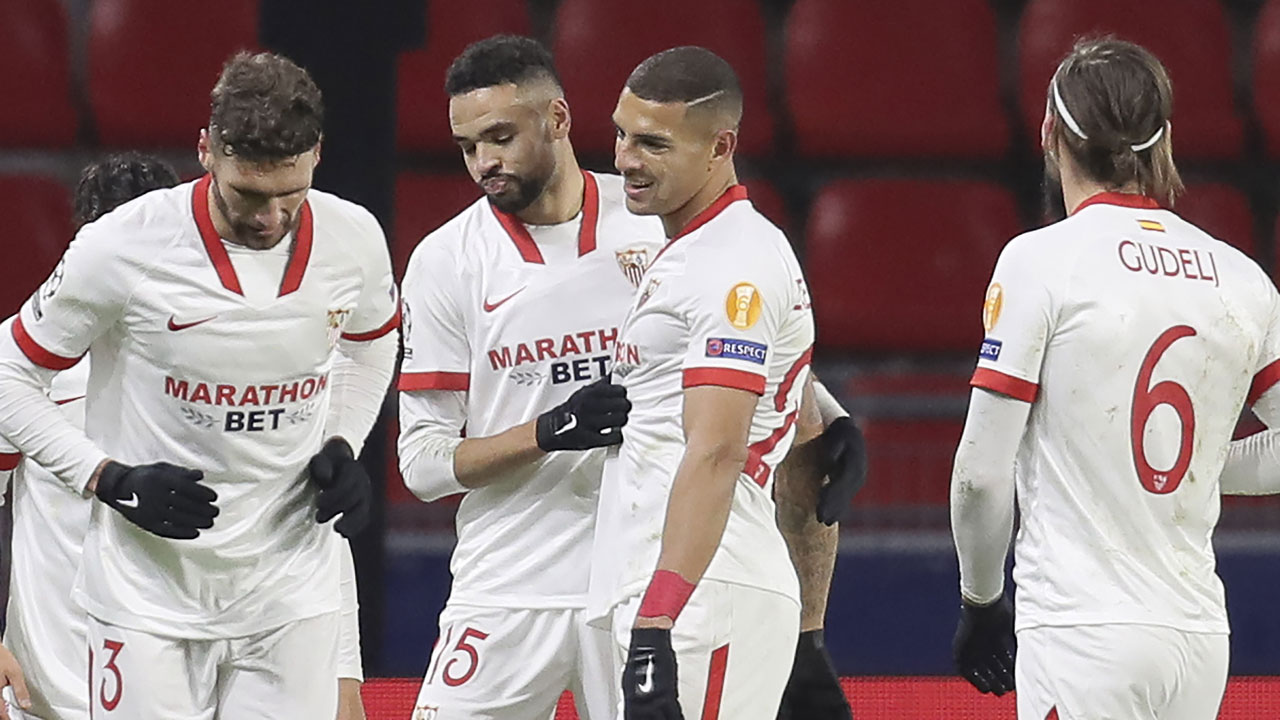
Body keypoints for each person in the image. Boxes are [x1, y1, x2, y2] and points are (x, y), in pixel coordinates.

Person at [398, 36, 863, 720]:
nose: (484, 163)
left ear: (557, 120)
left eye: (499, 137)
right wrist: (549, 431)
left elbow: (724, 340)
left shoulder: (652, 216)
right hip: (510, 582)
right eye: (467, 146)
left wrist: (816, 405)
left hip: (634, 577)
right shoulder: (446, 261)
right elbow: (423, 466)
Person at [0, 52, 398, 720]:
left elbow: (374, 340)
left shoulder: (354, 238)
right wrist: (108, 478)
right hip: (147, 598)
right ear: (206, 149)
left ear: (317, 156)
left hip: (288, 593)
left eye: (289, 194)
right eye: (248, 194)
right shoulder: (124, 244)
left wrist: (345, 440)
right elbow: (8, 372)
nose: (270, 218)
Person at [949, 37, 1276, 719]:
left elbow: (981, 473)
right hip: (1196, 638)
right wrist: (1203, 465)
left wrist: (981, 601)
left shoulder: (1041, 261)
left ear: (1049, 133)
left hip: (1081, 631)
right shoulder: (1242, 278)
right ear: (1163, 138)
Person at [589, 46, 817, 720]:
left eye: (653, 144)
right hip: (663, 582)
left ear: (721, 146)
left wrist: (659, 620)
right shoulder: (695, 254)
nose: (626, 159)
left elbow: (716, 448)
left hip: (703, 593)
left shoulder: (732, 266)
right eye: (622, 134)